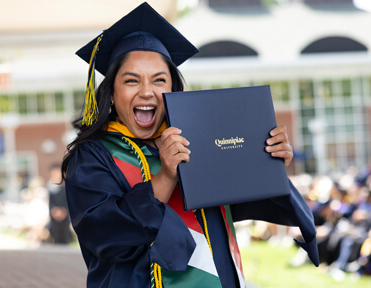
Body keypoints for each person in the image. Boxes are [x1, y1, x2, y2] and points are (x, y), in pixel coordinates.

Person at [62, 3, 318, 287]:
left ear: (172, 89)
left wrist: (268, 163)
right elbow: (102, 233)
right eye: (131, 81)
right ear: (111, 93)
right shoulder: (93, 156)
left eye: (159, 80)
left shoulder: (197, 141)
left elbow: (238, 202)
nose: (147, 91)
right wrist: (166, 177)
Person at [47, 163, 72, 244]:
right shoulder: (51, 188)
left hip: (64, 218)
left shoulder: (66, 187)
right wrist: (54, 210)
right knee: (56, 238)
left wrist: (64, 211)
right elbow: (51, 203)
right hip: (54, 219)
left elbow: (68, 202)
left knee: (65, 237)